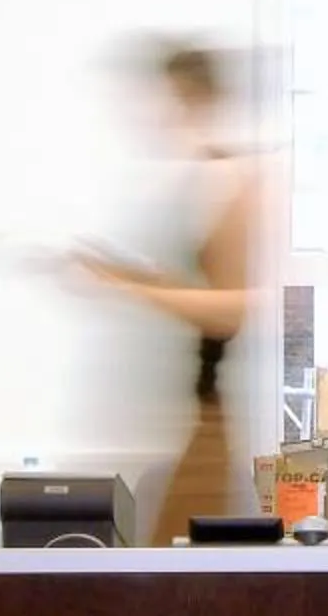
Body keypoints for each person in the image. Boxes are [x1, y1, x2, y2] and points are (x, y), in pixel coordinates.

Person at [70, 40, 266, 546]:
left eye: (170, 100)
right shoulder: (198, 180)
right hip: (188, 423)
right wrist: (124, 276)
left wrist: (131, 286)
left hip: (210, 423)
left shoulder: (235, 181)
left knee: (175, 595)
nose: (157, 115)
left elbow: (231, 311)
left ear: (198, 99)